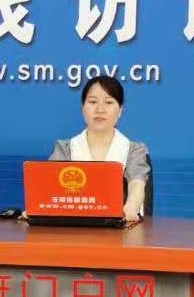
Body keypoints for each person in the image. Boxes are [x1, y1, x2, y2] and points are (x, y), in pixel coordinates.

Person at [49, 75, 149, 226]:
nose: (100, 109)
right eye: (92, 102)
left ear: (120, 111)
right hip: (73, 229)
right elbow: (49, 190)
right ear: (83, 109)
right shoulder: (64, 148)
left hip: (120, 229)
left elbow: (137, 184)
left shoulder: (134, 150)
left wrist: (130, 207)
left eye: (108, 102)